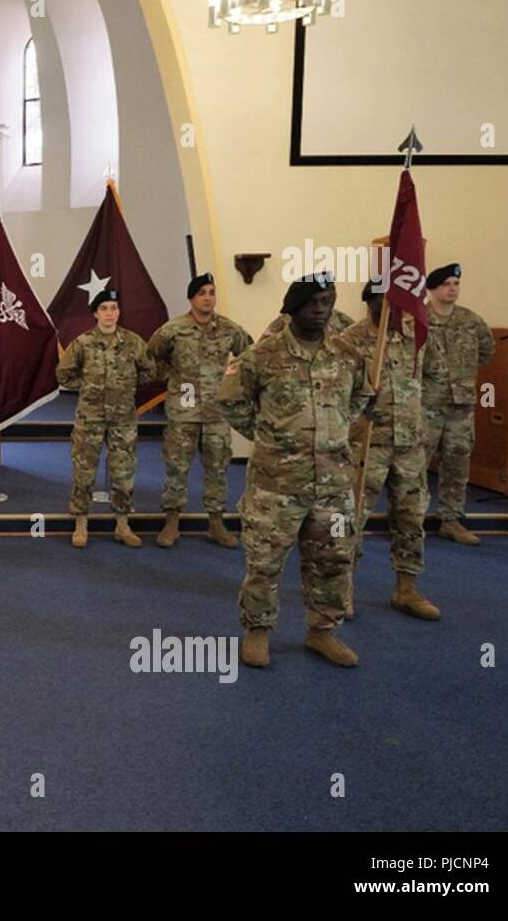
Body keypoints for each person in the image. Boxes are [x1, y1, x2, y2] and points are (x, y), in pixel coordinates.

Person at [217, 273, 371, 668]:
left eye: (327, 301)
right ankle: (257, 631)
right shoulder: (261, 357)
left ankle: (322, 632)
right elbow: (231, 401)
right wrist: (270, 437)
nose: (321, 311)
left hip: (333, 486)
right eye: (313, 303)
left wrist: (336, 430)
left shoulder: (346, 356)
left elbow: (361, 397)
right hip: (277, 486)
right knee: (265, 562)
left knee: (333, 559)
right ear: (293, 307)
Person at [339, 281, 438, 620]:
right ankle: (342, 588)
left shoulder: (416, 336)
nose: (395, 306)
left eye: (399, 300)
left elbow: (432, 377)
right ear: (370, 302)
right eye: (386, 300)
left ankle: (406, 588)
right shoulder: (349, 342)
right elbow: (338, 395)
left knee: (411, 517)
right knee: (351, 518)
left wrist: (423, 419)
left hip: (409, 444)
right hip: (367, 442)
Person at [147, 272, 252, 549]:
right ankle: (172, 522)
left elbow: (251, 355)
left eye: (211, 292)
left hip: (216, 412)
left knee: (217, 467)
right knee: (177, 467)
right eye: (202, 293)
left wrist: (232, 382)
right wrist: (172, 377)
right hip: (184, 410)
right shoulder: (173, 330)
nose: (208, 298)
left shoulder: (230, 330)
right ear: (191, 298)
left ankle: (216, 522)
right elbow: (151, 357)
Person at [56, 286, 156, 548]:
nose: (110, 313)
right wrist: (89, 386)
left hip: (123, 417)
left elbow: (149, 371)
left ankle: (122, 524)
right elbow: (63, 374)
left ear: (118, 312)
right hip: (90, 416)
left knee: (123, 472)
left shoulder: (133, 342)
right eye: (104, 309)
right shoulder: (83, 343)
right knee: (84, 471)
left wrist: (127, 387)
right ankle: (81, 522)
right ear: (95, 314)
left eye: (114, 308)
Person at [421, 263, 495, 545]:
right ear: (432, 289)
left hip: (461, 406)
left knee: (457, 463)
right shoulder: (418, 318)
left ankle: (450, 520)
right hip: (426, 403)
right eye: (446, 284)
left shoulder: (470, 321)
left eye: (456, 284)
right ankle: (410, 520)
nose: (452, 289)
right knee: (416, 466)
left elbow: (487, 351)